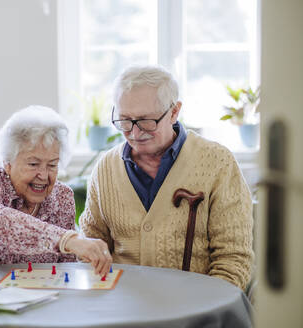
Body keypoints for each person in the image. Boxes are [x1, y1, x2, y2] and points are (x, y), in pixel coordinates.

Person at [79, 65, 254, 290]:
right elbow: (90, 248)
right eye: (125, 120)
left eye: (146, 121)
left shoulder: (217, 162)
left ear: (174, 112)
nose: (134, 133)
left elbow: (233, 259)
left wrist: (204, 309)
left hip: (196, 310)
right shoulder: (105, 168)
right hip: (121, 309)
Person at [0, 106, 112, 275]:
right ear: (8, 163)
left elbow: (65, 270)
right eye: (33, 164)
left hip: (29, 300)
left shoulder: (62, 197)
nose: (43, 175)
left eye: (52, 165)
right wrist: (66, 240)